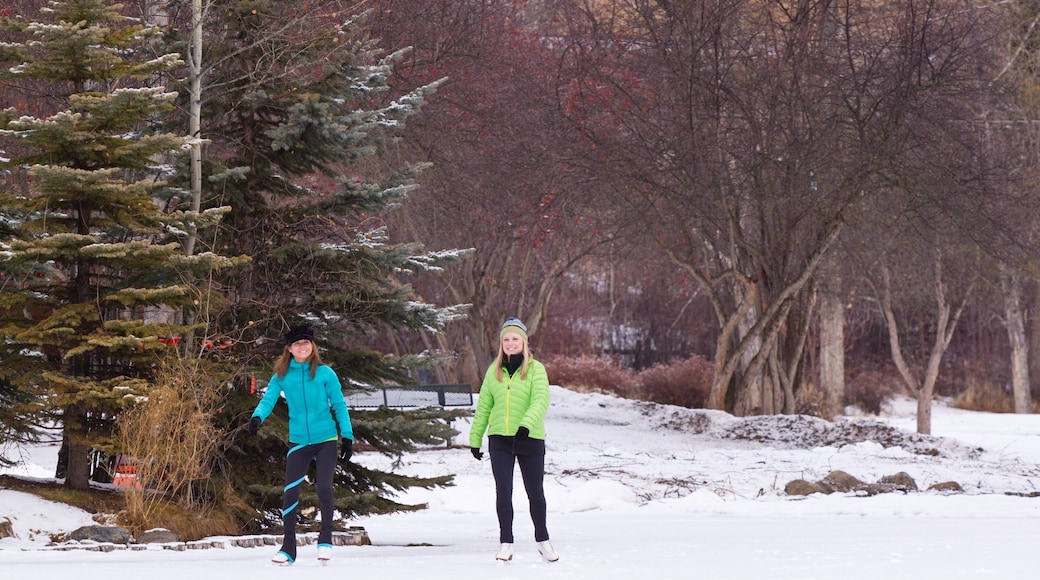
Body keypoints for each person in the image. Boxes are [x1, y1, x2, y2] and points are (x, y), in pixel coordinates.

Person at [248, 325, 354, 565]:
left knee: (324, 488)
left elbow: (339, 404)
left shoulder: (325, 373)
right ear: (289, 348)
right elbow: (268, 400)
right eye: (297, 344)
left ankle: (325, 541)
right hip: (299, 441)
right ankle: (288, 549)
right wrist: (257, 417)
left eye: (306, 343)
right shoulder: (282, 376)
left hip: (325, 439)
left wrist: (347, 436)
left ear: (312, 346)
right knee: (290, 493)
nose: (303, 347)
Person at [469, 317, 559, 563]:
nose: (510, 343)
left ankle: (543, 540)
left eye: (515, 339)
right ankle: (506, 542)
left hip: (529, 438)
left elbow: (540, 400)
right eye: (506, 339)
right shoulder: (493, 371)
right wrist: (475, 438)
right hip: (500, 439)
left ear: (524, 342)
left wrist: (525, 425)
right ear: (501, 343)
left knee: (535, 494)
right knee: (503, 493)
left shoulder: (536, 369)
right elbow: (484, 406)